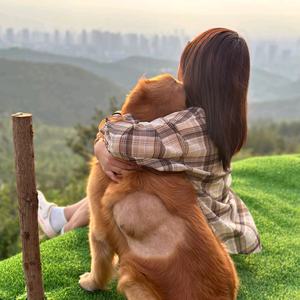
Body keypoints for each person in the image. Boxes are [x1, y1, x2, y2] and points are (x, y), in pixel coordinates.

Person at [38, 27, 262, 254]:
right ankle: (59, 218)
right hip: (223, 220)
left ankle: (66, 229)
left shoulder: (191, 124)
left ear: (197, 71)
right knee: (139, 169)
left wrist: (100, 144)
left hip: (200, 236)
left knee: (126, 171)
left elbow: (120, 140)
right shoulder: (224, 118)